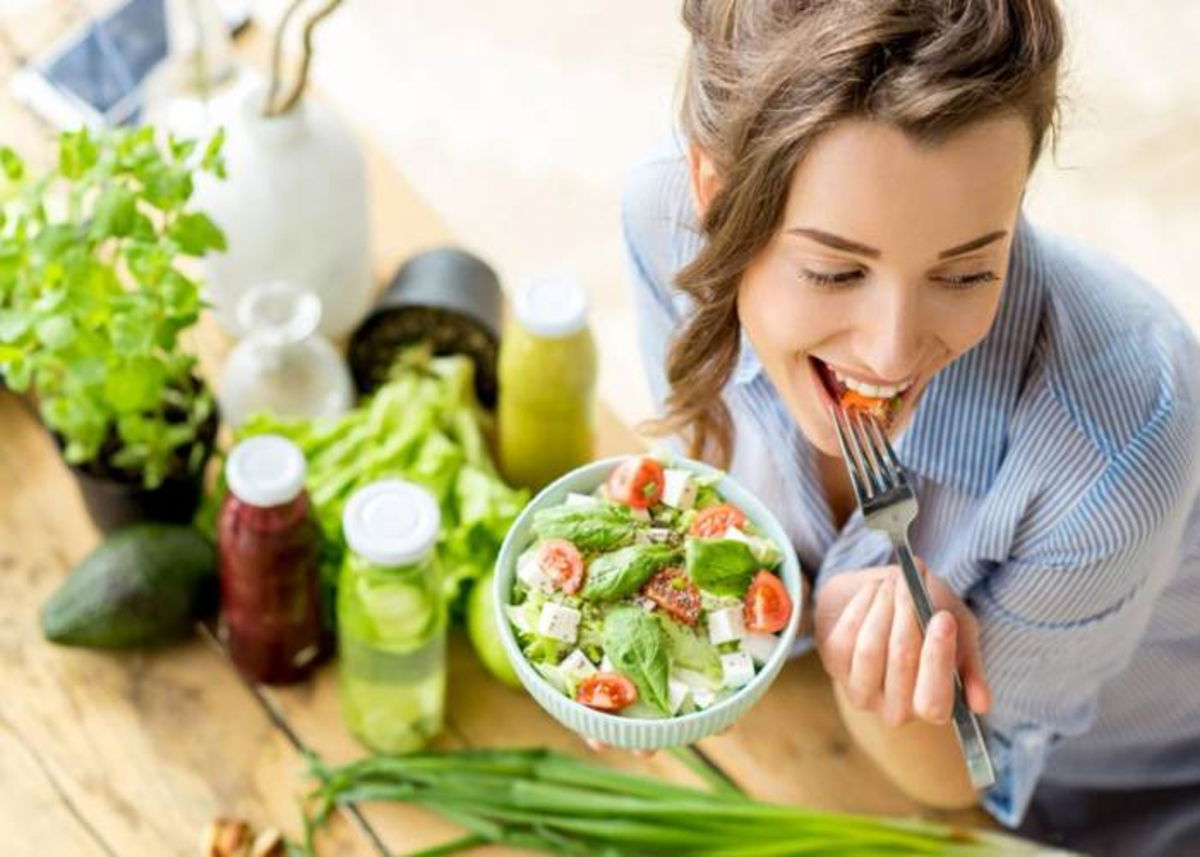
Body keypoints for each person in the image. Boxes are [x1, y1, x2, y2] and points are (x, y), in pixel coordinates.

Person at [613, 1, 1200, 854]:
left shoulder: (1121, 441)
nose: (891, 353)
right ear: (712, 197)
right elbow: (710, 492)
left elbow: (970, 780)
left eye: (966, 272)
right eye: (834, 268)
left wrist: (874, 672)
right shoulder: (661, 223)